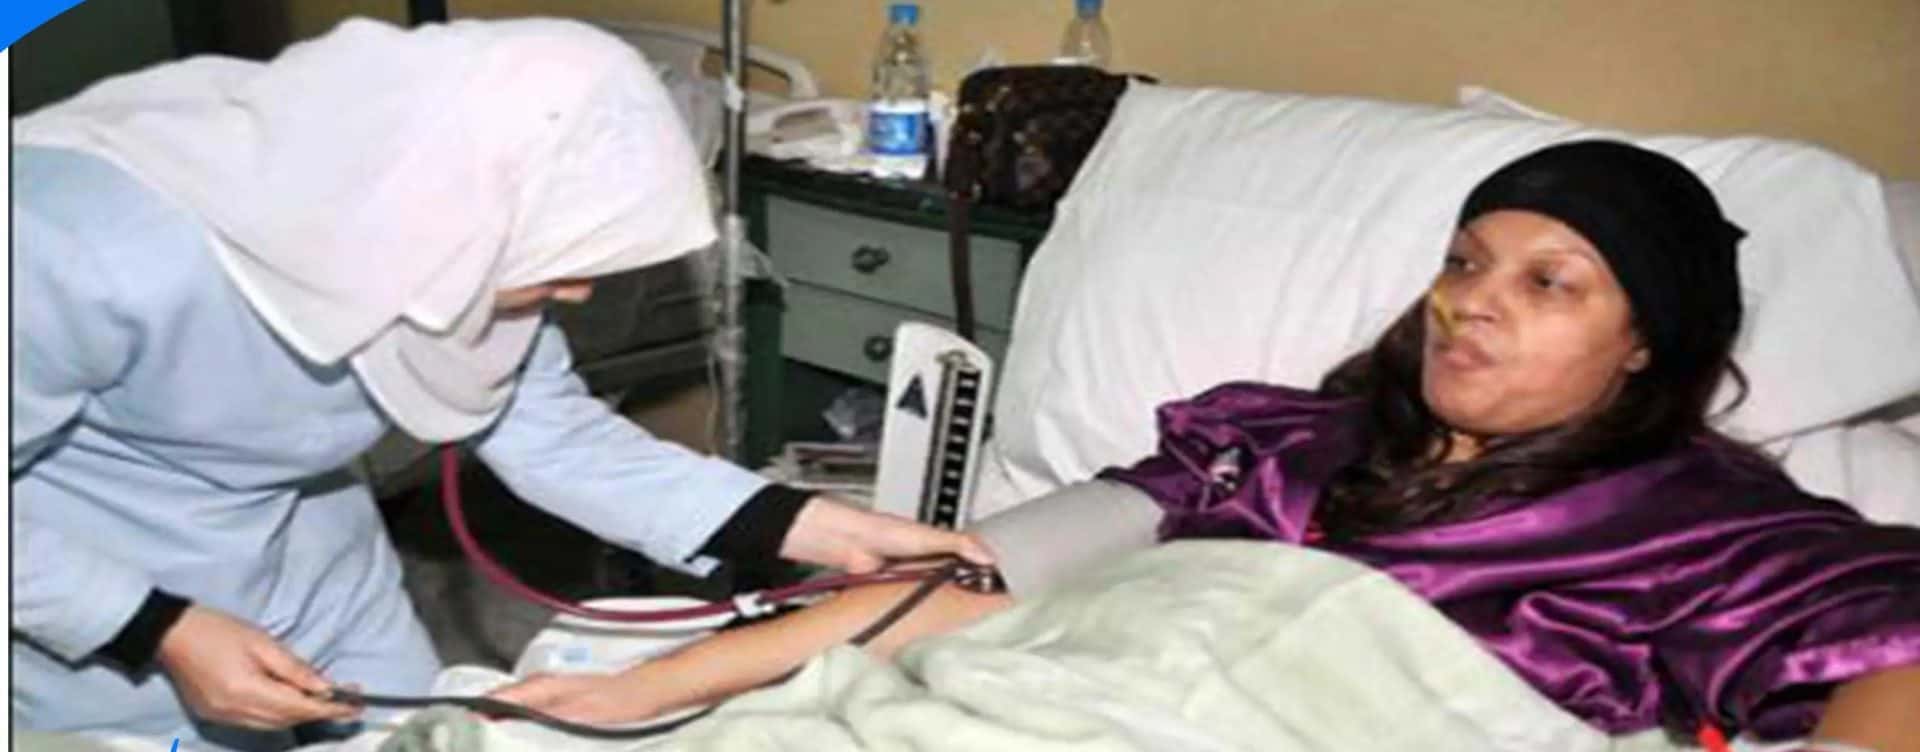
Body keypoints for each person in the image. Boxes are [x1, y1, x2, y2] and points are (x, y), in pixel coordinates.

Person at [491, 141, 1920, 751]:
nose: (1474, 302)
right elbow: (986, 578)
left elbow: (1892, 662)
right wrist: (648, 690)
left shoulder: (1709, 523)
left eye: (1550, 282)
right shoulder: (1276, 440)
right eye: (1464, 261)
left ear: (1649, 341)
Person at [9, 17, 987, 751]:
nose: (578, 290)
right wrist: (152, 625)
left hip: (322, 573)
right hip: (81, 603)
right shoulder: (79, 241)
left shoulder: (443, 224)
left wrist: (825, 528)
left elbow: (551, 433)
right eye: (558, 259)